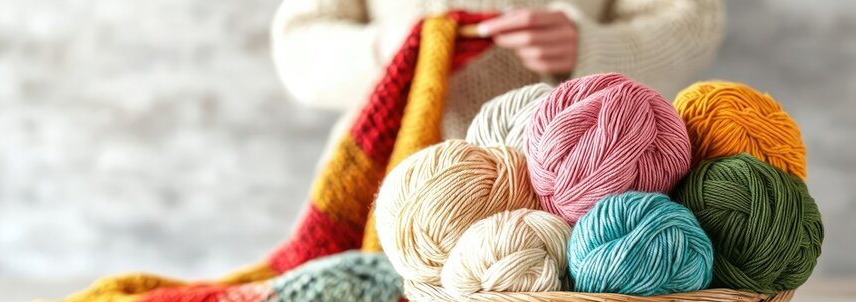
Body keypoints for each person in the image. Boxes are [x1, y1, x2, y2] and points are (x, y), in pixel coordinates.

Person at [272, 0, 725, 142]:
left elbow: (692, 23)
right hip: (386, 201)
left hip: (577, 198)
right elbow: (298, 47)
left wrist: (590, 47)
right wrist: (392, 49)